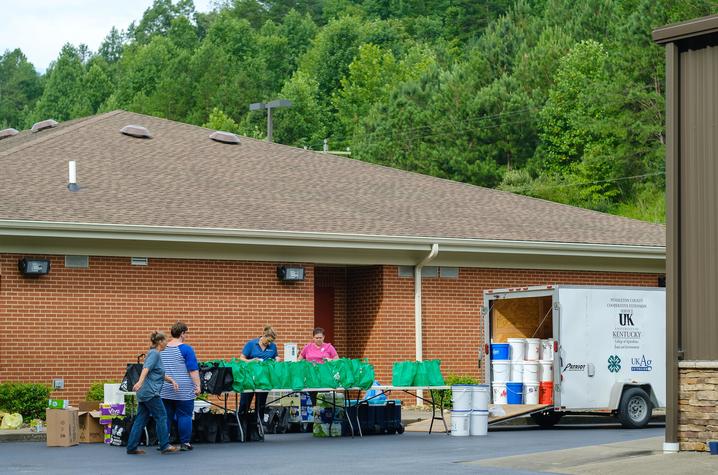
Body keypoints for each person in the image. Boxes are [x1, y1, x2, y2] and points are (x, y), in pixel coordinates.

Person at [126, 331, 179, 455]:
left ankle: (131, 447)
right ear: (160, 342)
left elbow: (157, 372)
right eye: (165, 341)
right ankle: (165, 445)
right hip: (150, 392)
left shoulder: (153, 354)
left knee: (140, 420)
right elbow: (146, 369)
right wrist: (139, 382)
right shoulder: (155, 354)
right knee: (161, 416)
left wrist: (171, 380)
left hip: (144, 393)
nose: (167, 343)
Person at [160, 321, 200, 452]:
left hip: (165, 387)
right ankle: (185, 443)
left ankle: (164, 442)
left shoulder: (162, 348)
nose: (186, 335)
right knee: (184, 415)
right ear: (182, 333)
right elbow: (193, 370)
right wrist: (198, 386)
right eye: (186, 333)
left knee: (165, 416)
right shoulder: (186, 349)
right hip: (183, 388)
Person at [239, 325, 279, 413]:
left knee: (260, 406)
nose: (269, 343)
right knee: (244, 404)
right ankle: (242, 425)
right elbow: (241, 359)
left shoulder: (273, 346)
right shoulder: (251, 344)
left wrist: (277, 359)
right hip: (249, 380)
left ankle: (258, 425)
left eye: (271, 341)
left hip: (264, 381)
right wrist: (252, 361)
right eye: (268, 341)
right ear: (264, 335)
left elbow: (276, 358)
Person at [298, 327, 339, 405]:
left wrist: (330, 360)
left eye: (320, 338)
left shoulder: (329, 347)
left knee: (323, 398)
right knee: (312, 397)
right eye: (317, 338)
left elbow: (337, 360)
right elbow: (299, 359)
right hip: (311, 377)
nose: (319, 339)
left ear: (324, 337)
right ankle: (313, 413)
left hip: (325, 377)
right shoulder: (308, 347)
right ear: (313, 338)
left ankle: (325, 413)